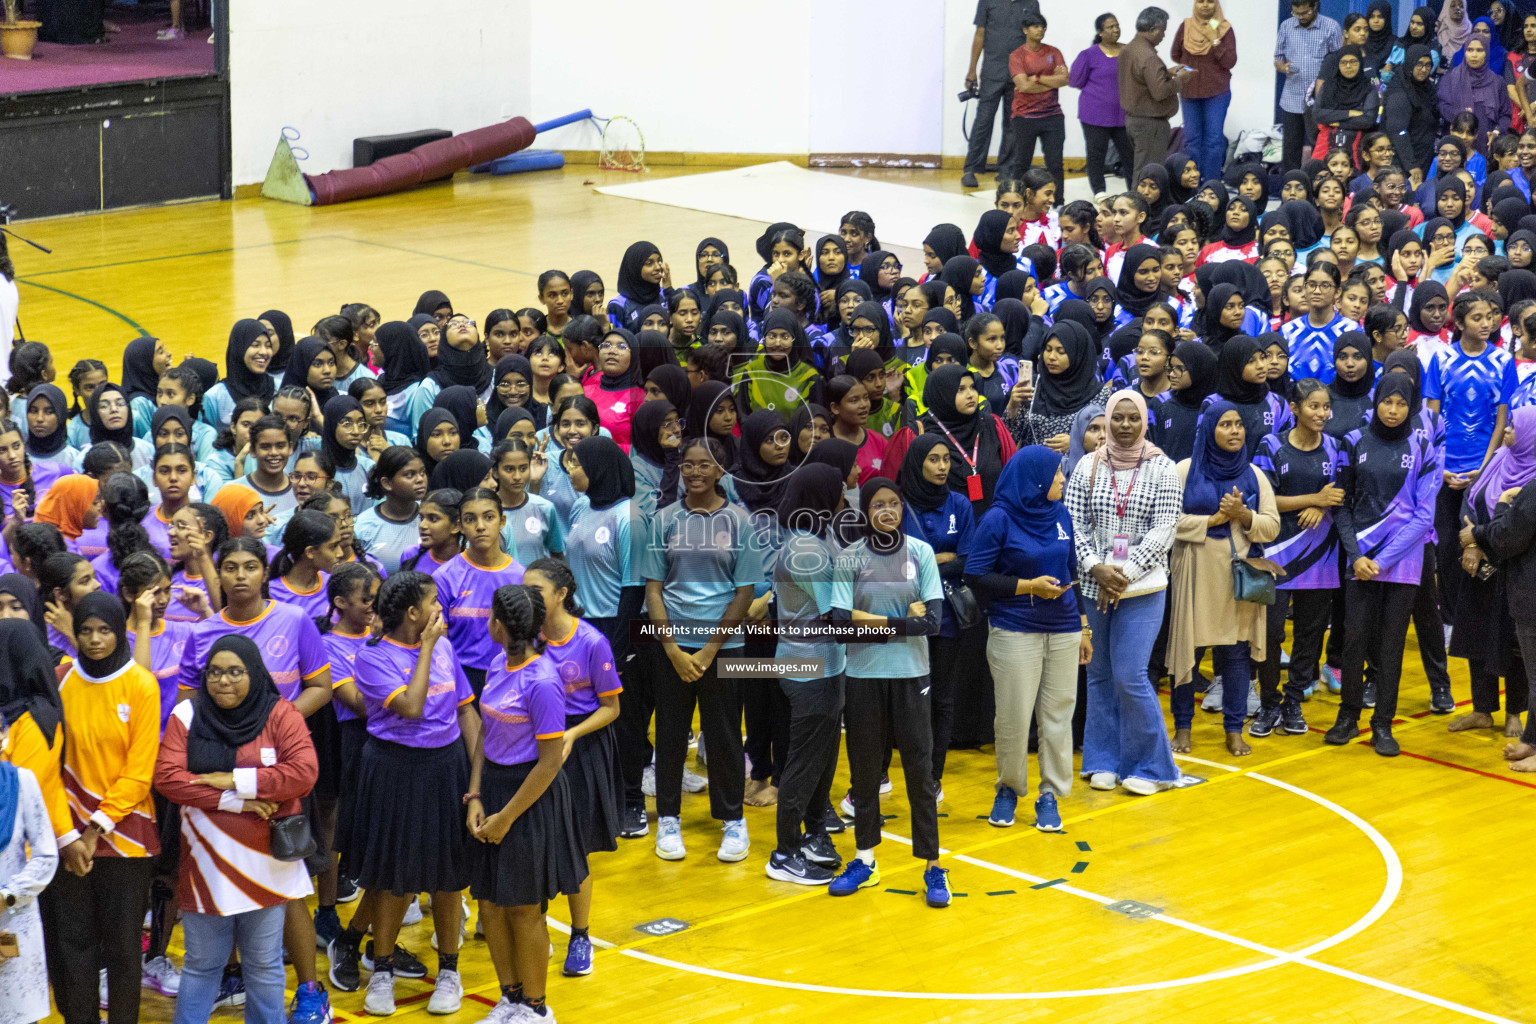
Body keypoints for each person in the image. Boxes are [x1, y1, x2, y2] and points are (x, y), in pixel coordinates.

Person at [153, 635, 319, 1024]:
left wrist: (232, 780)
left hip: (266, 862)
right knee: (202, 965)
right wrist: (236, 801)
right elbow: (168, 779)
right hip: (206, 863)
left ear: (254, 673)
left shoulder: (281, 713)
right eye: (214, 672)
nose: (223, 681)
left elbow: (303, 774)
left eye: (234, 672)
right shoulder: (187, 715)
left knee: (264, 965)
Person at [349, 571, 478, 1016]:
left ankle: (449, 970)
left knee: (448, 877)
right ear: (412, 614)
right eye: (433, 606)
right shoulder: (373, 659)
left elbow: (466, 712)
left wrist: (478, 781)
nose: (440, 614)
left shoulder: (444, 648)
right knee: (392, 877)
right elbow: (412, 707)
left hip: (446, 768)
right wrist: (425, 647)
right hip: (394, 771)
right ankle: (381, 969)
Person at [826, 478, 950, 907]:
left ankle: (934, 867)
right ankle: (865, 860)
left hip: (913, 675)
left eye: (894, 503)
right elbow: (838, 622)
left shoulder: (921, 553)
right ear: (866, 511)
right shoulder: (849, 558)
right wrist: (898, 624)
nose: (887, 511)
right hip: (862, 677)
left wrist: (872, 623)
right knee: (863, 772)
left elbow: (932, 622)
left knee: (920, 771)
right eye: (878, 504)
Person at [468, 583, 588, 1022]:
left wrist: (505, 817)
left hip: (529, 798)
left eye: (490, 614)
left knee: (523, 908)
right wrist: (476, 794)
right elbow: (485, 730)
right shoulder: (497, 664)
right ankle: (511, 999)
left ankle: (537, 1011)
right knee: (489, 903)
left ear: (499, 623)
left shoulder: (543, 681)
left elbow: (550, 762)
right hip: (495, 790)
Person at [41, 592, 161, 1024]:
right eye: (86, 630)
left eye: (105, 630)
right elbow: (46, 761)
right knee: (73, 943)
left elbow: (139, 770)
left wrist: (93, 831)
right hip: (67, 838)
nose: (94, 640)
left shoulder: (141, 685)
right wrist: (69, 837)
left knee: (123, 947)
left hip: (124, 837)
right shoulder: (60, 679)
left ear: (120, 631)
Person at [643, 437, 761, 862]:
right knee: (671, 734)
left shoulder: (740, 521)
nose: (694, 472)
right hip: (672, 647)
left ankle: (733, 820)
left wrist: (710, 650)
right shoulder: (664, 520)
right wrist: (672, 647)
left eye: (704, 465)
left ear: (720, 471)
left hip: (724, 649)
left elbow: (745, 591)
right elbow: (653, 590)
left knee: (726, 734)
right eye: (688, 465)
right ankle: (669, 818)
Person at [1065, 389, 1182, 795]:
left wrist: (1124, 574)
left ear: (1144, 420)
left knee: (1130, 674)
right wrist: (1096, 568)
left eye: (1134, 418)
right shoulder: (1086, 465)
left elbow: (1165, 528)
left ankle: (1152, 768)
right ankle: (1102, 759)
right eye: (1118, 418)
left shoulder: (1163, 468)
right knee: (1098, 674)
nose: (1125, 425)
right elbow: (1074, 523)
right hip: (1094, 580)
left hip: (1143, 587)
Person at [965, 445, 1087, 831]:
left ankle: (1049, 794)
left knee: (1057, 718)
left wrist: (1083, 626)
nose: (1063, 480)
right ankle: (1008, 788)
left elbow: (1071, 570)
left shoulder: (1061, 514)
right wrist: (1026, 586)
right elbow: (976, 575)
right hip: (1014, 628)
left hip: (1064, 629)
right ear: (1035, 479)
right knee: (1014, 719)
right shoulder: (998, 518)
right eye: (1056, 475)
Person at [1327, 374, 1440, 755]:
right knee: (1354, 638)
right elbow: (1340, 505)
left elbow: (1425, 517)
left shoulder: (1423, 445)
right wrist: (1356, 556)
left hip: (1404, 562)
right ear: (1375, 402)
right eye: (1386, 402)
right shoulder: (1353, 441)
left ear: (1411, 407)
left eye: (1401, 404)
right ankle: (1348, 716)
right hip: (1359, 559)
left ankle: (1382, 724)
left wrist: (1381, 560)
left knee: (1391, 645)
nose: (1393, 411)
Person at [1169, 402, 1280, 757]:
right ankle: (1183, 727)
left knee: (1235, 656)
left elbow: (1272, 526)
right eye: (1225, 425)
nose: (1234, 431)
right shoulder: (1185, 470)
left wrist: (1245, 515)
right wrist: (1212, 521)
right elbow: (1168, 522)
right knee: (1189, 652)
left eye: (1238, 425)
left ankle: (1234, 730)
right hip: (1196, 572)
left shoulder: (1254, 474)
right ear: (1209, 431)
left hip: (1237, 576)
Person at [0, 717, 57, 1024]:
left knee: (16, 1015)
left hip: (13, 923)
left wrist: (8, 896)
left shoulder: (21, 783)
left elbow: (46, 855)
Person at [961, 0, 1036, 189]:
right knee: (983, 120)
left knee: (1013, 122)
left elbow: (1034, 37)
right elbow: (980, 34)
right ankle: (971, 169)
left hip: (1018, 73)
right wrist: (972, 70)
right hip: (992, 70)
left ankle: (1006, 170)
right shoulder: (987, 1)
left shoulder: (1031, 3)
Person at [1119, 8, 1196, 179]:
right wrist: (1180, 79)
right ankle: (1139, 205)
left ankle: (1138, 204)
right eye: (1163, 31)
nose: (1163, 36)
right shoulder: (1149, 57)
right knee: (1149, 176)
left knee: (1141, 171)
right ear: (1154, 30)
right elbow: (1160, 92)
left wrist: (1167, 72)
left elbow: (1139, 79)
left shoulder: (1129, 49)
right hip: (1150, 124)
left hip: (1133, 120)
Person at [1170, 0, 1237, 183]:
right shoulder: (1186, 26)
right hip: (1189, 92)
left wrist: (1214, 40)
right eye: (1201, 1)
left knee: (1213, 142)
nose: (1205, 5)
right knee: (1191, 141)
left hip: (1217, 93)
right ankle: (1193, 184)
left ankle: (1211, 186)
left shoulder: (1223, 29)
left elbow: (1230, 61)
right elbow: (1176, 54)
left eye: (1210, 1)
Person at [1071, 14, 1136, 198]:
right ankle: (1099, 192)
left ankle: (1133, 193)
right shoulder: (1089, 54)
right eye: (1110, 27)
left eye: (1117, 25)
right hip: (1094, 115)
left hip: (1123, 115)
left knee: (1130, 156)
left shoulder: (1128, 51)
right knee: (1096, 155)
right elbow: (1076, 80)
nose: (1116, 29)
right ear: (1100, 32)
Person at [1276, 0, 1345, 170]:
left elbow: (1338, 60)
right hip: (1292, 97)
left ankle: (1317, 185)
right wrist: (1282, 67)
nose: (1300, 17)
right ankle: (1290, 186)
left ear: (1314, 7)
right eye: (1296, 13)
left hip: (1320, 99)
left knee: (1319, 146)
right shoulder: (1286, 26)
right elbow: (1277, 57)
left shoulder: (1331, 27)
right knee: (1291, 147)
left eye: (1305, 13)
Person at [1007, 11, 1068, 198]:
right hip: (1024, 117)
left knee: (1055, 164)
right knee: (1022, 163)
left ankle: (1058, 201)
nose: (1040, 30)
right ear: (1025, 30)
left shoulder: (1053, 52)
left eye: (1042, 26)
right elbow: (1023, 85)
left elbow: (1064, 79)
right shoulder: (1017, 56)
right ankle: (1017, 199)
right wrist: (1050, 81)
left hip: (1052, 116)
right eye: (1035, 26)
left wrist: (1038, 78)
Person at [1438, 38, 1513, 152]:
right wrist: (1462, 114)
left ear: (1486, 53)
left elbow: (1505, 115)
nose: (1474, 55)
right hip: (1455, 145)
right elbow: (1443, 107)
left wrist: (1497, 132)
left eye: (1479, 50)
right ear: (1464, 52)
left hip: (1486, 144)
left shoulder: (1497, 82)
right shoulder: (1450, 79)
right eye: (1470, 50)